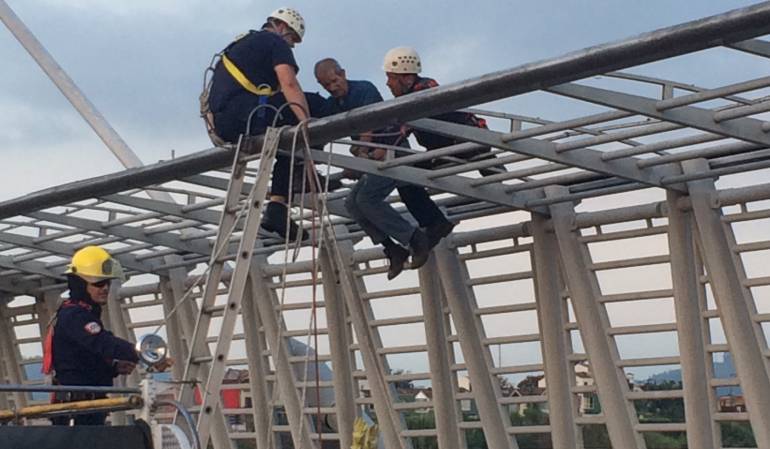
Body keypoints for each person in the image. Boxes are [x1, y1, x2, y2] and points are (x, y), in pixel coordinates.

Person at [315, 58, 454, 279]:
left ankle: (414, 239)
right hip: (374, 157)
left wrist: (361, 154)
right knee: (351, 203)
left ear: (342, 73)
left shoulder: (363, 89)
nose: (332, 88)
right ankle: (392, 248)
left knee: (366, 199)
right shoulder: (335, 104)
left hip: (391, 150)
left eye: (334, 81)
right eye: (326, 86)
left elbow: (370, 124)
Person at [207, 7, 321, 241]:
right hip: (248, 116)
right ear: (281, 27)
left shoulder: (243, 45)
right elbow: (289, 85)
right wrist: (309, 125)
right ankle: (304, 173)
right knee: (315, 106)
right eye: (292, 39)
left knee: (287, 133)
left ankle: (278, 207)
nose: (291, 46)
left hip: (226, 123)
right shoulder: (274, 42)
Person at [42, 246, 139, 425]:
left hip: (88, 406)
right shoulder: (75, 316)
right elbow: (102, 343)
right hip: (77, 410)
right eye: (98, 283)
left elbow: (83, 361)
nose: (105, 288)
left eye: (108, 283)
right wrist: (138, 352)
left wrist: (114, 367)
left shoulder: (80, 314)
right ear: (80, 284)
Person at [382, 47, 503, 176]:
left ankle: (501, 185)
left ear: (407, 79)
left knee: (487, 165)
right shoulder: (409, 100)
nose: (388, 83)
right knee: (411, 171)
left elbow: (404, 122)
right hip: (447, 148)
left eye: (392, 77)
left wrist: (382, 146)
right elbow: (396, 129)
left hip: (469, 138)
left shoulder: (425, 89)